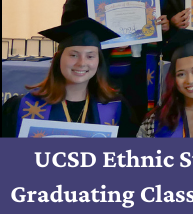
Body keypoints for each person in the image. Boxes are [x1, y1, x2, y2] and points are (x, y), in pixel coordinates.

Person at [2, 19, 136, 138]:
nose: (82, 63)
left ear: (99, 62)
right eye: (73, 55)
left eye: (90, 56)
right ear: (58, 59)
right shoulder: (19, 107)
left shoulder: (117, 109)